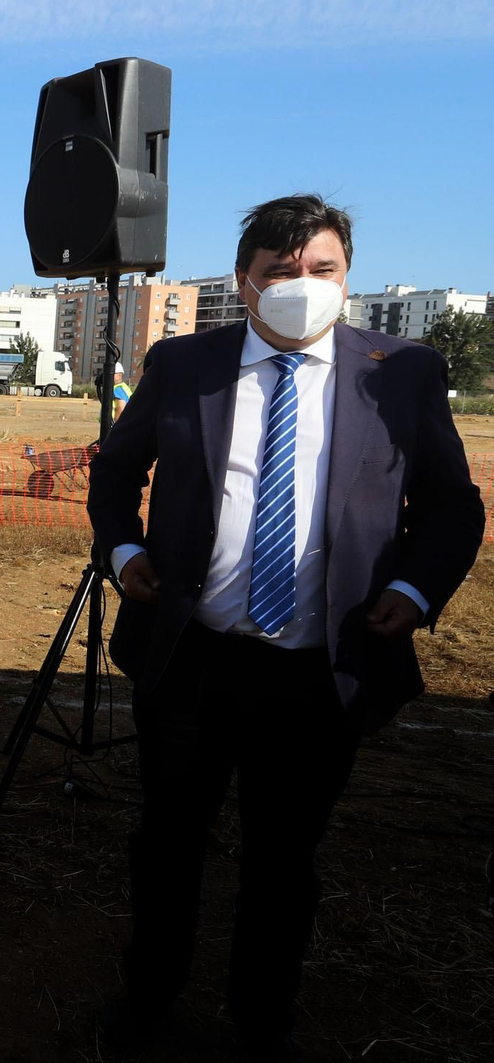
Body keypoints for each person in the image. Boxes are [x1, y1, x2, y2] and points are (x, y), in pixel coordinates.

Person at [87, 194, 484, 1060]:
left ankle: (263, 1014)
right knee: (167, 841)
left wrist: (415, 591)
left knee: (283, 860)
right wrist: (122, 551)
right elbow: (114, 472)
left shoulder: (401, 371)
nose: (301, 286)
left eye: (322, 270)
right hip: (191, 657)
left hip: (318, 669)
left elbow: (454, 509)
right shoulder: (184, 362)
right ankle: (150, 991)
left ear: (347, 278)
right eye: (279, 273)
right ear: (246, 283)